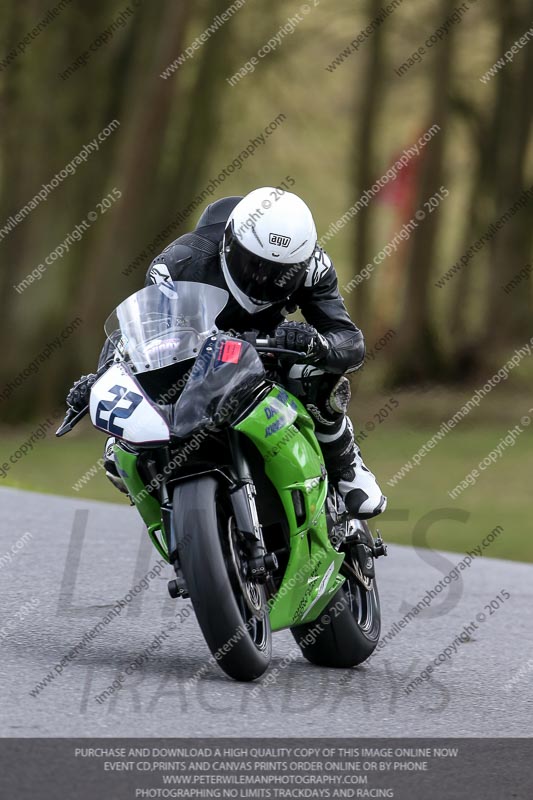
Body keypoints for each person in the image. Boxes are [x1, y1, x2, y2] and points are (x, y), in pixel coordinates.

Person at [67, 188, 387, 519]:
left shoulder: (314, 267)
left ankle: (346, 465)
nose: (263, 279)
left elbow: (349, 340)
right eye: (253, 265)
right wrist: (100, 378)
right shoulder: (178, 264)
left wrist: (315, 345)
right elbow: (137, 337)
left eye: (280, 274)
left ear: (301, 263)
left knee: (312, 372)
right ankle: (125, 444)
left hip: (267, 344)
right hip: (196, 347)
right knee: (125, 448)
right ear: (229, 245)